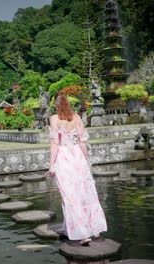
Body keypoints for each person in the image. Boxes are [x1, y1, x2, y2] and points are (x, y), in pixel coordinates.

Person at [48, 91, 107, 246]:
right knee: (85, 193)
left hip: (64, 158)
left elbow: (55, 143)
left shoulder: (54, 119)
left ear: (56, 104)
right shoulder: (77, 118)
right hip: (78, 158)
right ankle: (91, 229)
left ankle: (81, 234)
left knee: (69, 195)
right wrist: (86, 161)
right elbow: (82, 142)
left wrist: (51, 164)